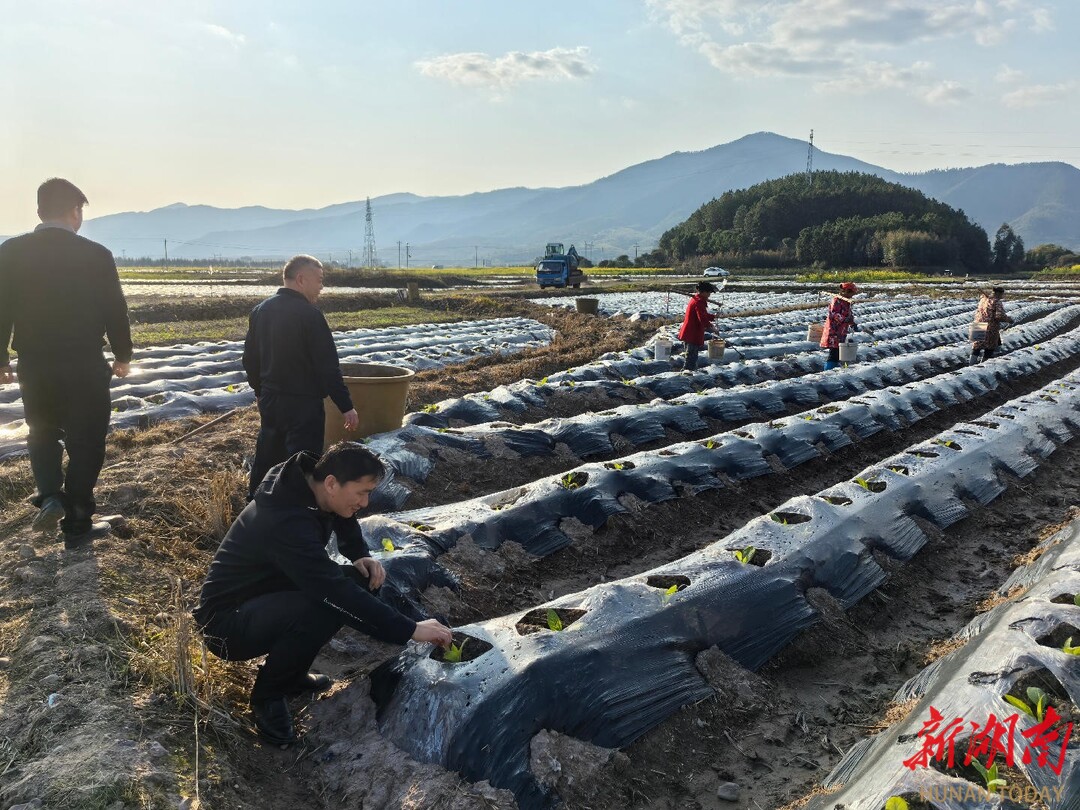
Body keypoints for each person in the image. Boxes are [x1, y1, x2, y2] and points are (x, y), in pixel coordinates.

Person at [193, 442, 454, 746]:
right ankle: (268, 696)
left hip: (264, 592)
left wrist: (358, 553)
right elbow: (332, 591)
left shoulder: (309, 484)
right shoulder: (285, 520)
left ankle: (290, 674)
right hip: (226, 624)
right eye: (361, 492)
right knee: (325, 603)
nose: (366, 503)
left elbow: (342, 515)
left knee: (358, 580)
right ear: (332, 483)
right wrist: (410, 629)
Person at [0, 178, 132, 548]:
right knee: (87, 439)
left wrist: (0, 359)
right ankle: (77, 517)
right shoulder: (95, 254)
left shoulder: (10, 252)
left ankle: (49, 494)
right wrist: (123, 354)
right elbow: (114, 309)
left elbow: (1, 309)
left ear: (39, 211)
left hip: (35, 364)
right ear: (75, 212)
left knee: (42, 430)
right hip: (83, 364)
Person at [243, 254, 359, 497]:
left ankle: (257, 506)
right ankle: (297, 512)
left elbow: (250, 360)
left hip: (271, 401)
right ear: (301, 279)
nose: (321, 286)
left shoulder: (260, 311)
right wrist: (346, 406)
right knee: (301, 462)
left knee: (267, 458)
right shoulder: (310, 315)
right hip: (303, 405)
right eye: (319, 280)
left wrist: (259, 392)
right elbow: (327, 366)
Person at [678, 281, 718, 370]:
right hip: (692, 332)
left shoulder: (697, 299)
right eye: (709, 293)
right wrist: (712, 328)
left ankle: (690, 373)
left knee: (692, 356)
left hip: (691, 332)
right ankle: (687, 375)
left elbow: (703, 314)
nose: (709, 295)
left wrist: (713, 316)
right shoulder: (699, 302)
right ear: (703, 292)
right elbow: (702, 319)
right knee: (691, 358)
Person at [820, 282, 858, 370]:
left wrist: (852, 323)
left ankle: (833, 369)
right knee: (834, 353)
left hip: (841, 331)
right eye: (851, 293)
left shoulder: (847, 302)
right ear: (846, 291)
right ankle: (828, 371)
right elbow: (834, 314)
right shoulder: (836, 301)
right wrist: (845, 320)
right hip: (834, 331)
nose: (852, 295)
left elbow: (849, 314)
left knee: (837, 352)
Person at [970, 286, 1012, 365]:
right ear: (998, 293)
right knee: (989, 348)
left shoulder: (983, 299)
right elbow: (999, 316)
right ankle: (982, 365)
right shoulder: (997, 302)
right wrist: (1008, 319)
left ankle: (970, 365)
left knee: (976, 347)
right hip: (990, 327)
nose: (1002, 297)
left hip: (977, 324)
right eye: (1002, 294)